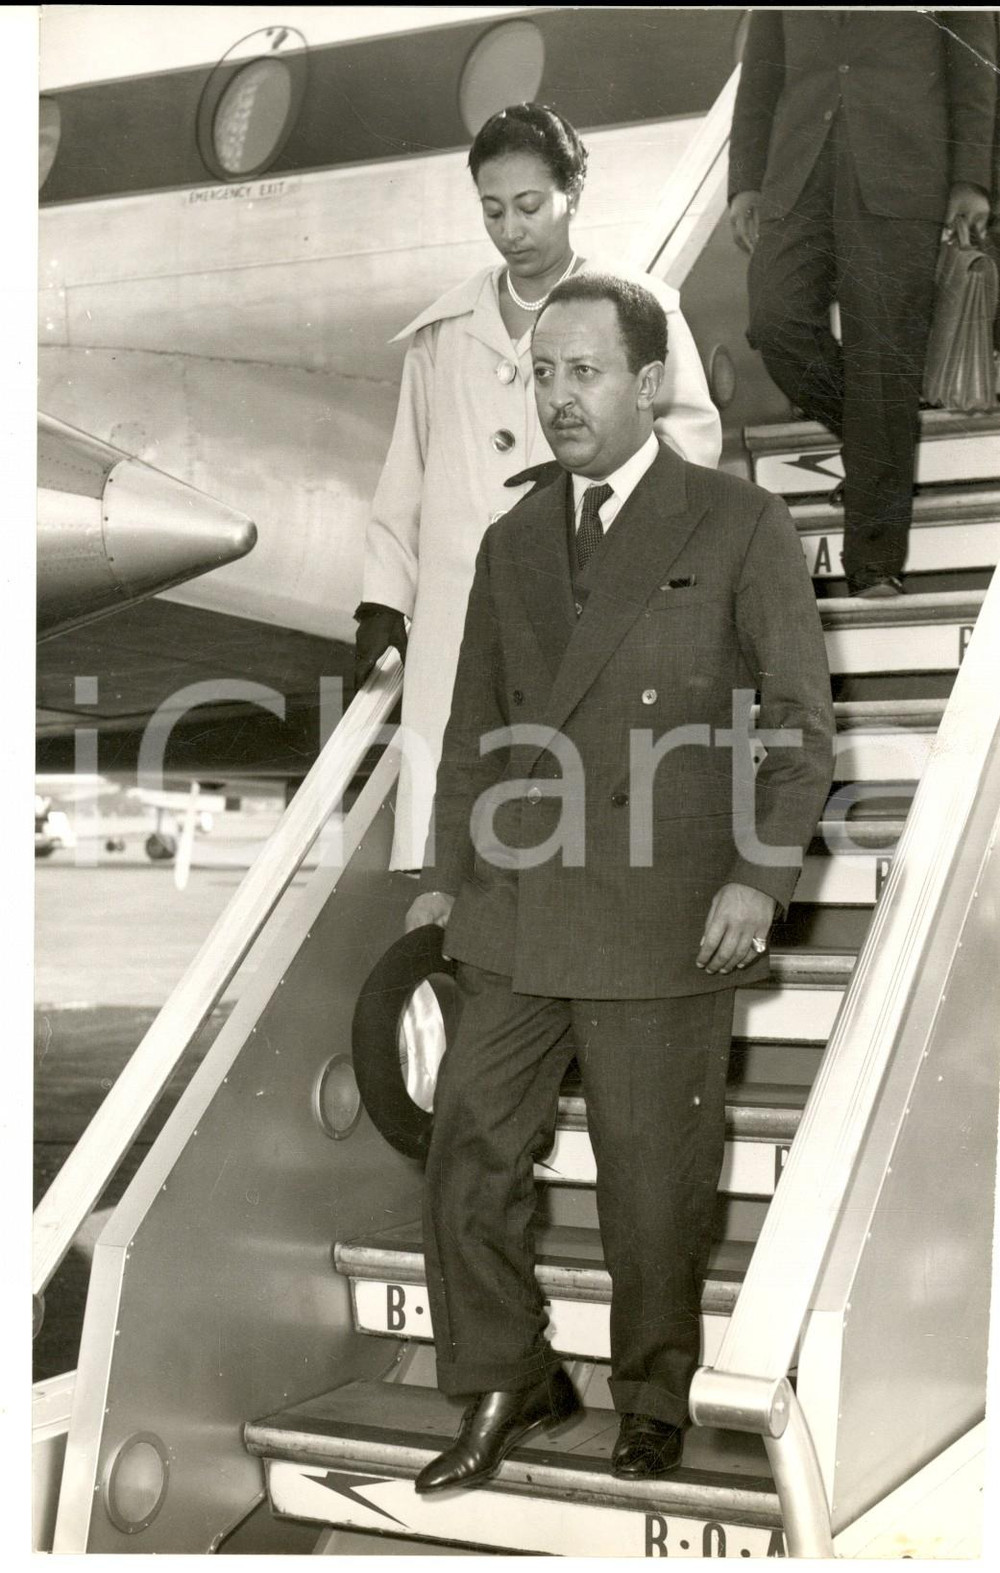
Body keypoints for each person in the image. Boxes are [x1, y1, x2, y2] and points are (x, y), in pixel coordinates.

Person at [405, 273, 835, 1490]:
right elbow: (470, 730)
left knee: (654, 1179)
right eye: (542, 373)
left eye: (582, 372)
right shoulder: (510, 538)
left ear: (649, 382)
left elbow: (801, 725)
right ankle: (507, 1379)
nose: (557, 398)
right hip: (522, 902)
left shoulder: (735, 521)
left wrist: (757, 874)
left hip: (666, 907)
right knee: (468, 1149)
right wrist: (451, 874)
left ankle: (653, 1387)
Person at [355, 102, 722, 871]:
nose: (511, 230)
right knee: (456, 831)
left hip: (591, 607)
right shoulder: (443, 334)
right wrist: (385, 598)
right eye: (492, 210)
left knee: (577, 831)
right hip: (460, 620)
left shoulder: (640, 309)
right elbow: (406, 475)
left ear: (572, 196)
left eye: (529, 207)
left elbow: (690, 440)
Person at [728, 11, 996, 599]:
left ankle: (875, 565)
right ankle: (876, 444)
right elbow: (760, 72)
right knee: (776, 319)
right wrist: (745, 179)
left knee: (882, 359)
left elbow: (974, 67)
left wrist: (971, 179)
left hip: (903, 171)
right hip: (799, 169)